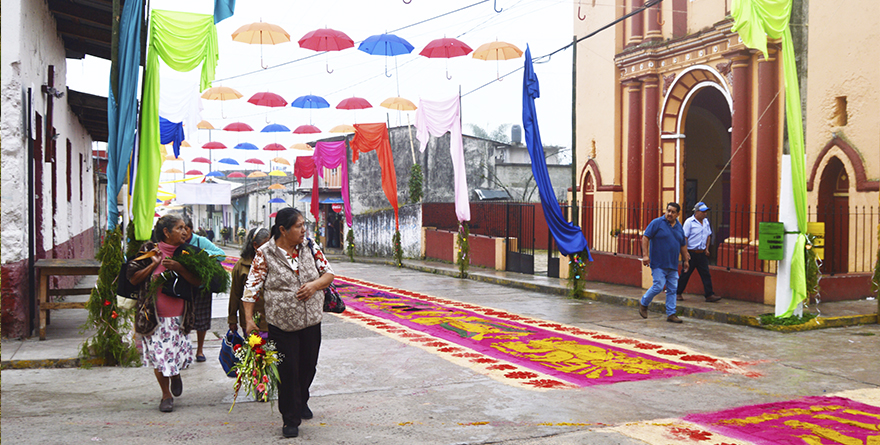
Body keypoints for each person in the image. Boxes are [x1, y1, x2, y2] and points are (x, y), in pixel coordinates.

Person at [242, 208, 335, 438]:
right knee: (288, 370)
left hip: (311, 320)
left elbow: (328, 274)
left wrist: (314, 285)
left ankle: (301, 398)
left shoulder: (311, 246)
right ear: (283, 229)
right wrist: (248, 320)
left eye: (305, 225)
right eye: (299, 226)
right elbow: (251, 289)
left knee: (308, 366)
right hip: (281, 324)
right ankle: (290, 417)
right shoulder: (265, 253)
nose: (304, 230)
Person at [130, 215, 200, 413]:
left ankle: (175, 374)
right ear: (166, 232)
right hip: (154, 317)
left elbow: (197, 281)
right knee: (160, 358)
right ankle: (166, 394)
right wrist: (153, 265)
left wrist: (180, 268)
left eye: (185, 228)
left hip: (180, 316)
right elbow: (133, 278)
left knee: (176, 355)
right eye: (179, 228)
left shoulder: (187, 252)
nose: (185, 231)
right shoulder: (148, 251)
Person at [182, 215, 226, 362]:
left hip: (201, 286)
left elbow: (221, 255)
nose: (182, 232)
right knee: (183, 319)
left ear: (191, 229)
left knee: (202, 319)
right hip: (182, 286)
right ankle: (184, 348)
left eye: (185, 229)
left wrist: (203, 254)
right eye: (180, 228)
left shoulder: (201, 241)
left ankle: (200, 350)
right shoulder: (176, 242)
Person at [638, 202, 690, 323]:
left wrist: (686, 260)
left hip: (672, 264)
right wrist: (645, 255)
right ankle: (644, 302)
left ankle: (671, 314)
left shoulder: (679, 227)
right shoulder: (657, 223)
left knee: (672, 289)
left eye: (673, 212)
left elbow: (682, 244)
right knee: (658, 286)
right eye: (668, 211)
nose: (670, 214)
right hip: (658, 263)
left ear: (678, 214)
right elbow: (646, 237)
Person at [228, 228, 271, 336]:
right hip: (251, 321)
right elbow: (235, 294)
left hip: (272, 321)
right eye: (265, 246)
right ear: (255, 245)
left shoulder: (273, 263)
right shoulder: (241, 266)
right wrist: (232, 318)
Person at [676, 202, 721, 303]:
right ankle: (678, 292)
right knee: (685, 273)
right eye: (703, 211)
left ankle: (709, 294)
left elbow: (708, 235)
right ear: (696, 212)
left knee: (706, 274)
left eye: (706, 212)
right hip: (691, 252)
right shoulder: (689, 222)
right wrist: (685, 252)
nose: (705, 214)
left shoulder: (706, 222)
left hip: (701, 253)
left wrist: (707, 248)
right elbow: (684, 237)